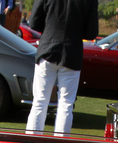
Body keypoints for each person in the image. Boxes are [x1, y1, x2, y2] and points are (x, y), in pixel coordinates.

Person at [25, 0, 99, 135]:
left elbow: (34, 22)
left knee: (39, 101)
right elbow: (91, 33)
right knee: (66, 104)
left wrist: (50, 29)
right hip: (72, 52)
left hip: (48, 48)